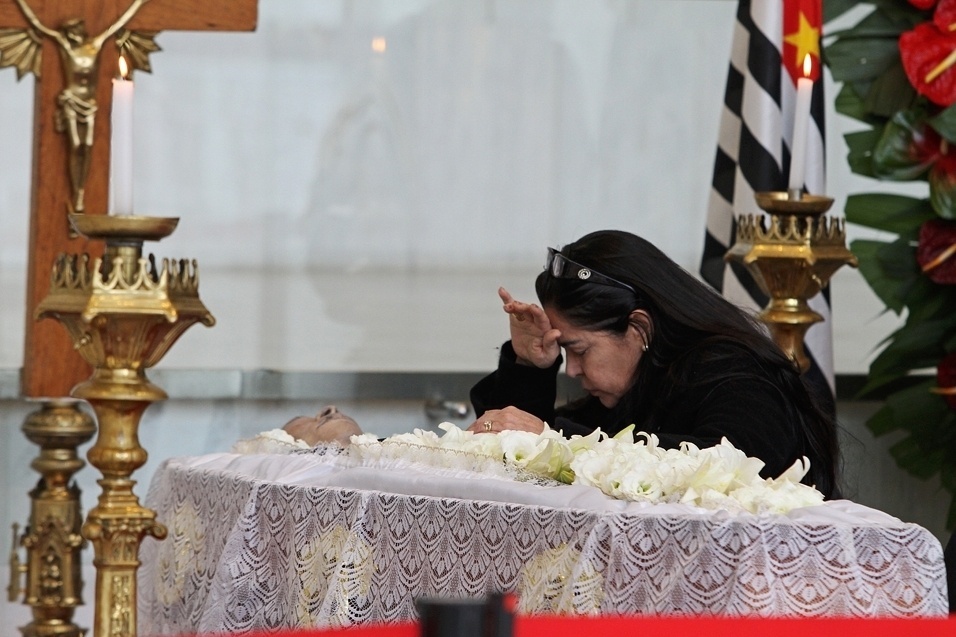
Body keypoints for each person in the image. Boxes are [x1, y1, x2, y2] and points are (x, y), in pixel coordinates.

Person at [468, 229, 840, 498]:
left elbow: (723, 467)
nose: (572, 370)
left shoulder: (739, 375)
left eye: (579, 350)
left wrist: (556, 442)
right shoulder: (633, 385)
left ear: (639, 328)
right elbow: (516, 469)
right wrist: (528, 365)